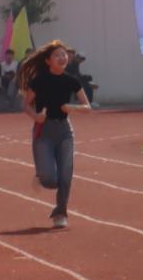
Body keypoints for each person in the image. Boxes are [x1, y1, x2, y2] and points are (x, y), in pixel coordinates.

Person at [19, 39, 92, 228]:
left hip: (65, 131)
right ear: (48, 60)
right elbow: (26, 104)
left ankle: (61, 212)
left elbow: (87, 106)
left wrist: (72, 108)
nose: (62, 57)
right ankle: (41, 176)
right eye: (58, 55)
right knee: (51, 180)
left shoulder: (71, 81)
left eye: (64, 54)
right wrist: (36, 116)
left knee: (66, 176)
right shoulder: (39, 81)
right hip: (44, 131)